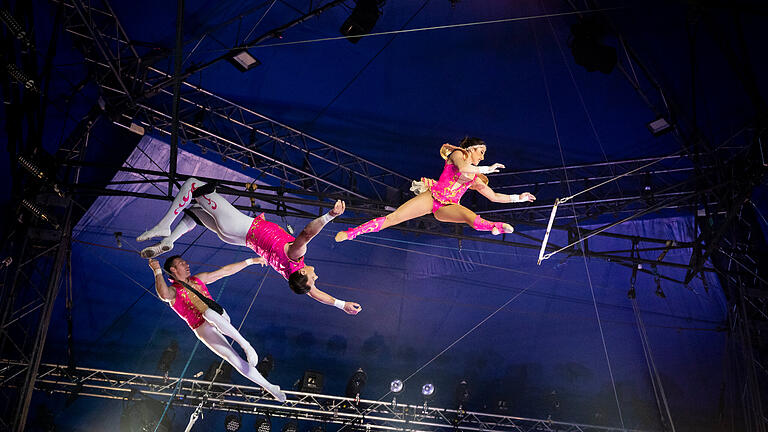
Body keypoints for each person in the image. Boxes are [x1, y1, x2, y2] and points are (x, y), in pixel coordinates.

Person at [137, 178, 362, 315]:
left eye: (313, 279)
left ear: (303, 272)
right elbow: (315, 295)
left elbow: (306, 233)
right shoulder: (291, 275)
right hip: (237, 238)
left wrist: (330, 216)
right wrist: (342, 305)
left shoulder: (295, 256)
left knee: (193, 185)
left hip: (241, 228)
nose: (316, 278)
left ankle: (164, 226)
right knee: (196, 211)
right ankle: (169, 240)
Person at [335, 137, 536, 242]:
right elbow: (463, 167)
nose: (482, 157)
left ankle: (496, 226)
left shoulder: (476, 178)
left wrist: (519, 197)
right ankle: (353, 232)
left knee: (468, 216)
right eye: (481, 152)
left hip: (447, 207)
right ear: (471, 149)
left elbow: (493, 197)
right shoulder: (458, 155)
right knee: (394, 218)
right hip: (432, 197)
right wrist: (488, 169)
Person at [148, 255, 287, 402]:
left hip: (219, 316)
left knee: (208, 313)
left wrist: (251, 261)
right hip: (201, 327)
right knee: (233, 358)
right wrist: (157, 271)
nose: (187, 264)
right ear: (173, 269)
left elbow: (224, 271)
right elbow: (163, 294)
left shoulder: (198, 279)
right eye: (182, 263)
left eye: (186, 262)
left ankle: (246, 344)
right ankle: (271, 387)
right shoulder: (173, 291)